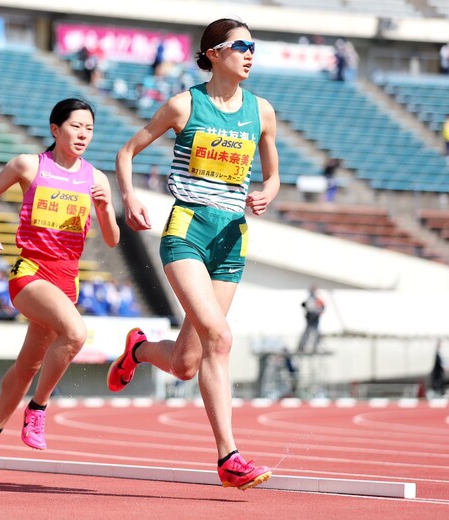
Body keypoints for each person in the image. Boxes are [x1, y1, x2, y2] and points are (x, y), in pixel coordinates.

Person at [107, 18, 279, 491]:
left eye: (253, 47)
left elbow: (273, 174)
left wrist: (268, 190)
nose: (250, 54)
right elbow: (126, 151)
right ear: (213, 54)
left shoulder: (261, 111)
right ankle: (229, 458)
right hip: (187, 233)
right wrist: (130, 197)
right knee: (220, 337)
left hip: (231, 239)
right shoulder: (184, 105)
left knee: (186, 363)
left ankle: (137, 349)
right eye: (241, 46)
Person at [0, 98, 120, 474]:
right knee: (75, 332)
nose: (83, 134)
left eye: (89, 128)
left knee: (27, 366)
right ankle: (38, 409)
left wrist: (104, 209)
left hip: (66, 279)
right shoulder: (28, 165)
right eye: (76, 126)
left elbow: (112, 239)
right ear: (56, 129)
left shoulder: (96, 178)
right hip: (31, 271)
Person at [297, 285, 325, 353]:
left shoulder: (318, 300)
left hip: (315, 320)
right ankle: (302, 347)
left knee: (315, 334)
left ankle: (315, 347)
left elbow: (322, 308)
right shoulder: (309, 299)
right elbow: (305, 305)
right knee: (307, 333)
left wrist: (316, 314)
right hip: (309, 319)